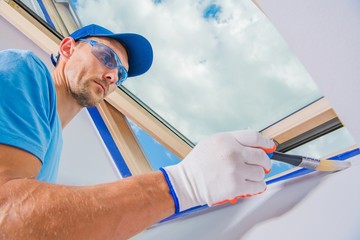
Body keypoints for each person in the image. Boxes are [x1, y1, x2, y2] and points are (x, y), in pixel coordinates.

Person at [0, 24, 275, 239]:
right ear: (68, 48)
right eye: (106, 57)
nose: (112, 76)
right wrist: (182, 185)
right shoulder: (24, 68)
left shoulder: (51, 143)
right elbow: (5, 215)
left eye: (121, 73)